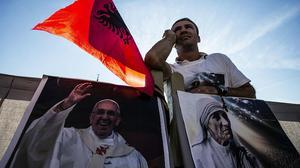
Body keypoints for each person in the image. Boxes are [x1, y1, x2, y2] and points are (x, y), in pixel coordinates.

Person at [10, 83, 148, 168]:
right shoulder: (66, 137)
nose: (104, 117)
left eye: (111, 114)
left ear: (118, 120)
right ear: (91, 117)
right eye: (100, 112)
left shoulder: (133, 156)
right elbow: (38, 138)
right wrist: (65, 105)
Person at [145, 18, 256, 98]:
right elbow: (152, 58)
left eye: (188, 27)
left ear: (198, 38)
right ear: (174, 42)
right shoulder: (172, 69)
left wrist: (216, 90)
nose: (183, 30)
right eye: (177, 29)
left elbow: (250, 92)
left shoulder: (219, 59)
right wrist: (169, 37)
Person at [191, 98, 260, 168]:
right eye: (216, 117)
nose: (225, 122)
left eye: (224, 116)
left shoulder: (242, 153)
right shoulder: (198, 153)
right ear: (206, 124)